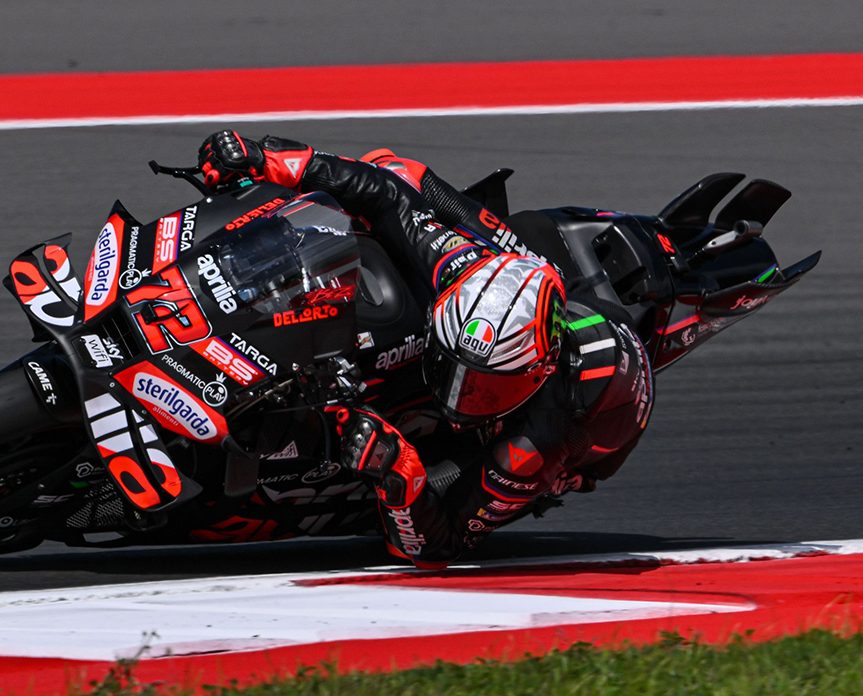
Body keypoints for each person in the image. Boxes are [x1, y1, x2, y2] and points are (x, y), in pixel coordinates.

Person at [197, 131, 655, 568]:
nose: (458, 396)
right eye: (455, 370)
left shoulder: (534, 443)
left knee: (436, 479)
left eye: (483, 388)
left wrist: (399, 469)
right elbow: (384, 193)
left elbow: (436, 549)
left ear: (533, 375)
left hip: (568, 428)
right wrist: (267, 158)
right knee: (395, 169)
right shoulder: (458, 266)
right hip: (523, 282)